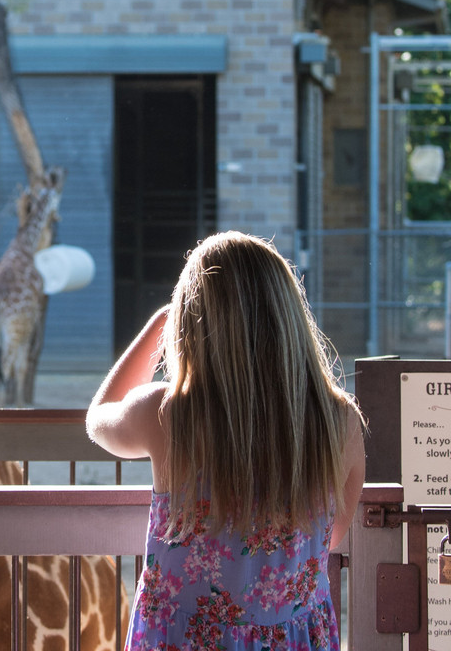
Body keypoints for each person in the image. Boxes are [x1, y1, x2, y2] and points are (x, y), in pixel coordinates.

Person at [86, 231, 365, 650]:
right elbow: (332, 536)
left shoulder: (166, 414)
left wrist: (159, 324)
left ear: (190, 321)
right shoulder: (339, 420)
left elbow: (97, 419)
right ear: (289, 316)